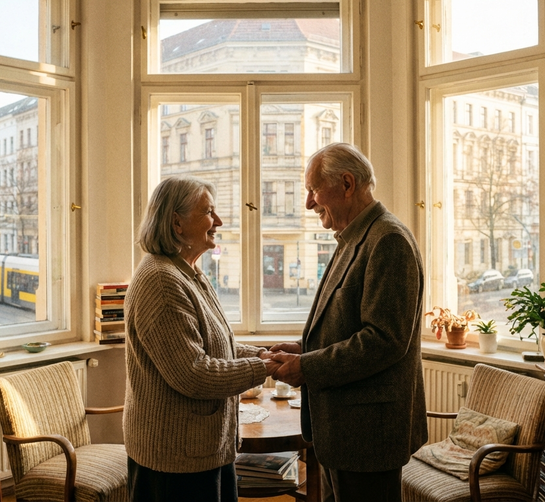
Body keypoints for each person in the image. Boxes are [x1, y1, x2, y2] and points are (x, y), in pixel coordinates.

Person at [270, 143, 428, 502]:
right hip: (342, 433)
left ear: (346, 183)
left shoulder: (388, 240)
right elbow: (346, 325)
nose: (308, 203)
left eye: (313, 190)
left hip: (368, 437)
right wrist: (303, 349)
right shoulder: (354, 236)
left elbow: (383, 340)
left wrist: (306, 366)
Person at [123, 175, 280, 502]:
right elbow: (193, 373)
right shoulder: (161, 282)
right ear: (176, 223)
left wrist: (265, 353)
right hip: (175, 463)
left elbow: (216, 344)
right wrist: (263, 367)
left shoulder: (186, 272)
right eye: (208, 212)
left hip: (200, 453)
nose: (218, 221)